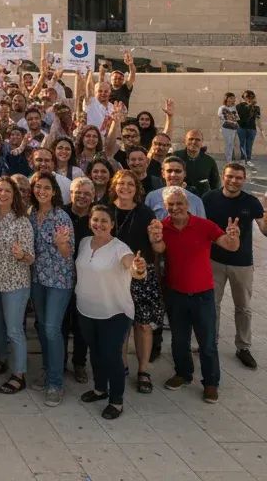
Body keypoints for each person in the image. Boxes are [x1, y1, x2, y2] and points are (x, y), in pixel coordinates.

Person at [148, 186, 241, 402]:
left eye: (179, 203)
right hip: (176, 294)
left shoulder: (204, 225)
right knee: (179, 341)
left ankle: (210, 383)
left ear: (188, 205)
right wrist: (154, 239)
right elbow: (160, 249)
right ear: (165, 206)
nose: (175, 208)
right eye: (170, 204)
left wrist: (233, 236)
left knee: (207, 343)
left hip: (202, 294)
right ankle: (183, 374)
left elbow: (230, 246)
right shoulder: (163, 226)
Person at [75, 205, 148, 420]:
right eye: (95, 220)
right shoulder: (84, 243)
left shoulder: (120, 248)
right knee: (95, 352)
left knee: (111, 355)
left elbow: (133, 268)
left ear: (112, 225)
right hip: (86, 309)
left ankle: (116, 400)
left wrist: (138, 267)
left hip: (115, 312)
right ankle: (100, 389)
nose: (99, 224)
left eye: (104, 221)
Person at [203, 162, 267, 369]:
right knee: (212, 305)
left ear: (244, 179)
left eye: (239, 178)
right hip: (214, 261)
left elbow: (264, 230)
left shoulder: (251, 202)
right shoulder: (209, 198)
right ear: (223, 176)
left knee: (244, 307)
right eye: (230, 176)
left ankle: (243, 347)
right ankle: (210, 342)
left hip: (242, 263)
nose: (234, 181)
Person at [107, 170, 160, 394]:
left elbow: (157, 248)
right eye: (121, 183)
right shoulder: (106, 210)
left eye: (130, 184)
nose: (125, 188)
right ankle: (122, 365)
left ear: (136, 188)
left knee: (143, 324)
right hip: (114, 275)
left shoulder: (146, 213)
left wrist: (157, 239)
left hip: (141, 274)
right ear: (114, 186)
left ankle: (144, 370)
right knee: (120, 325)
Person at [0, 177, 33, 394]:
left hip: (15, 283)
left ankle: (19, 374)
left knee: (14, 329)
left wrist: (22, 255)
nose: (2, 194)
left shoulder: (22, 221)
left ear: (14, 196)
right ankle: (1, 359)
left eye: (7, 191)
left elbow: (31, 258)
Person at [29, 170, 75, 406]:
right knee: (41, 326)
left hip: (58, 281)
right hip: (37, 279)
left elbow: (68, 255)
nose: (42, 191)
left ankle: (56, 383)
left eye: (47, 188)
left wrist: (61, 244)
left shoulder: (61, 217)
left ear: (54, 191)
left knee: (51, 328)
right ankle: (48, 370)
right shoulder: (30, 214)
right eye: (38, 187)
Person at [236, 90, 261, 167]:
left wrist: (261, 129)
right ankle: (243, 159)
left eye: (251, 96)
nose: (249, 98)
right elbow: (236, 118)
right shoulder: (238, 106)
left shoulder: (256, 107)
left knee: (249, 145)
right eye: (247, 96)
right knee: (242, 144)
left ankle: (248, 160)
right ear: (244, 97)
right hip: (241, 128)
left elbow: (258, 119)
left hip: (252, 129)